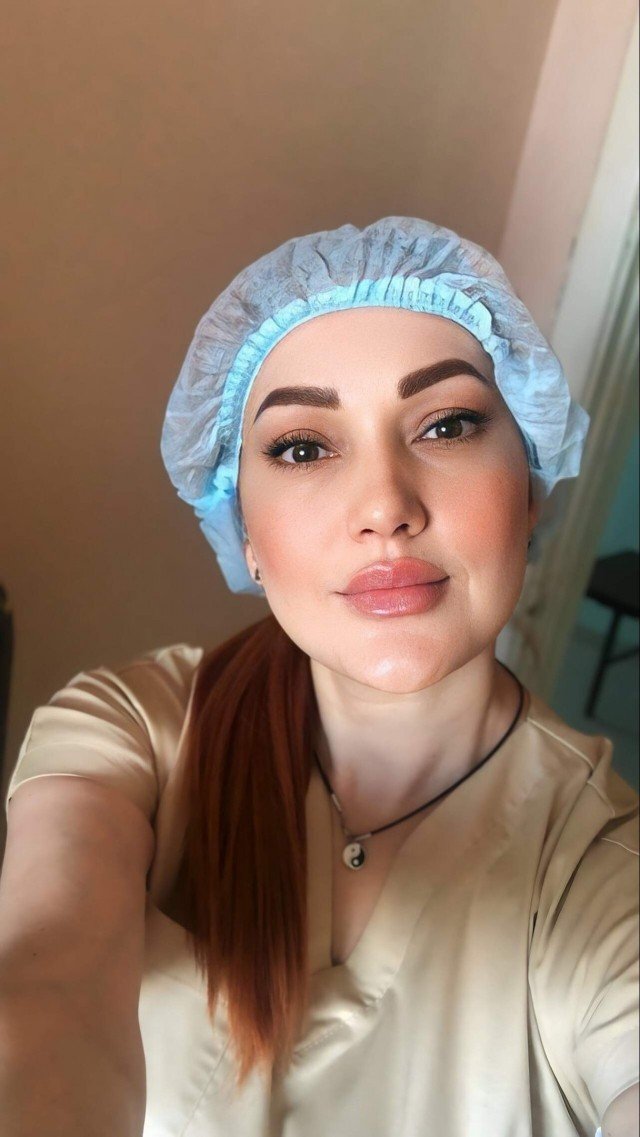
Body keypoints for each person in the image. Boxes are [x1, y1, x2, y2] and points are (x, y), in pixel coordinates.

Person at [1, 217, 638, 1137]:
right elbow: (50, 982)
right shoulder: (131, 728)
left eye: (448, 424)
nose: (385, 506)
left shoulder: (599, 866)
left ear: (531, 486)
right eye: (303, 446)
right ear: (243, 530)